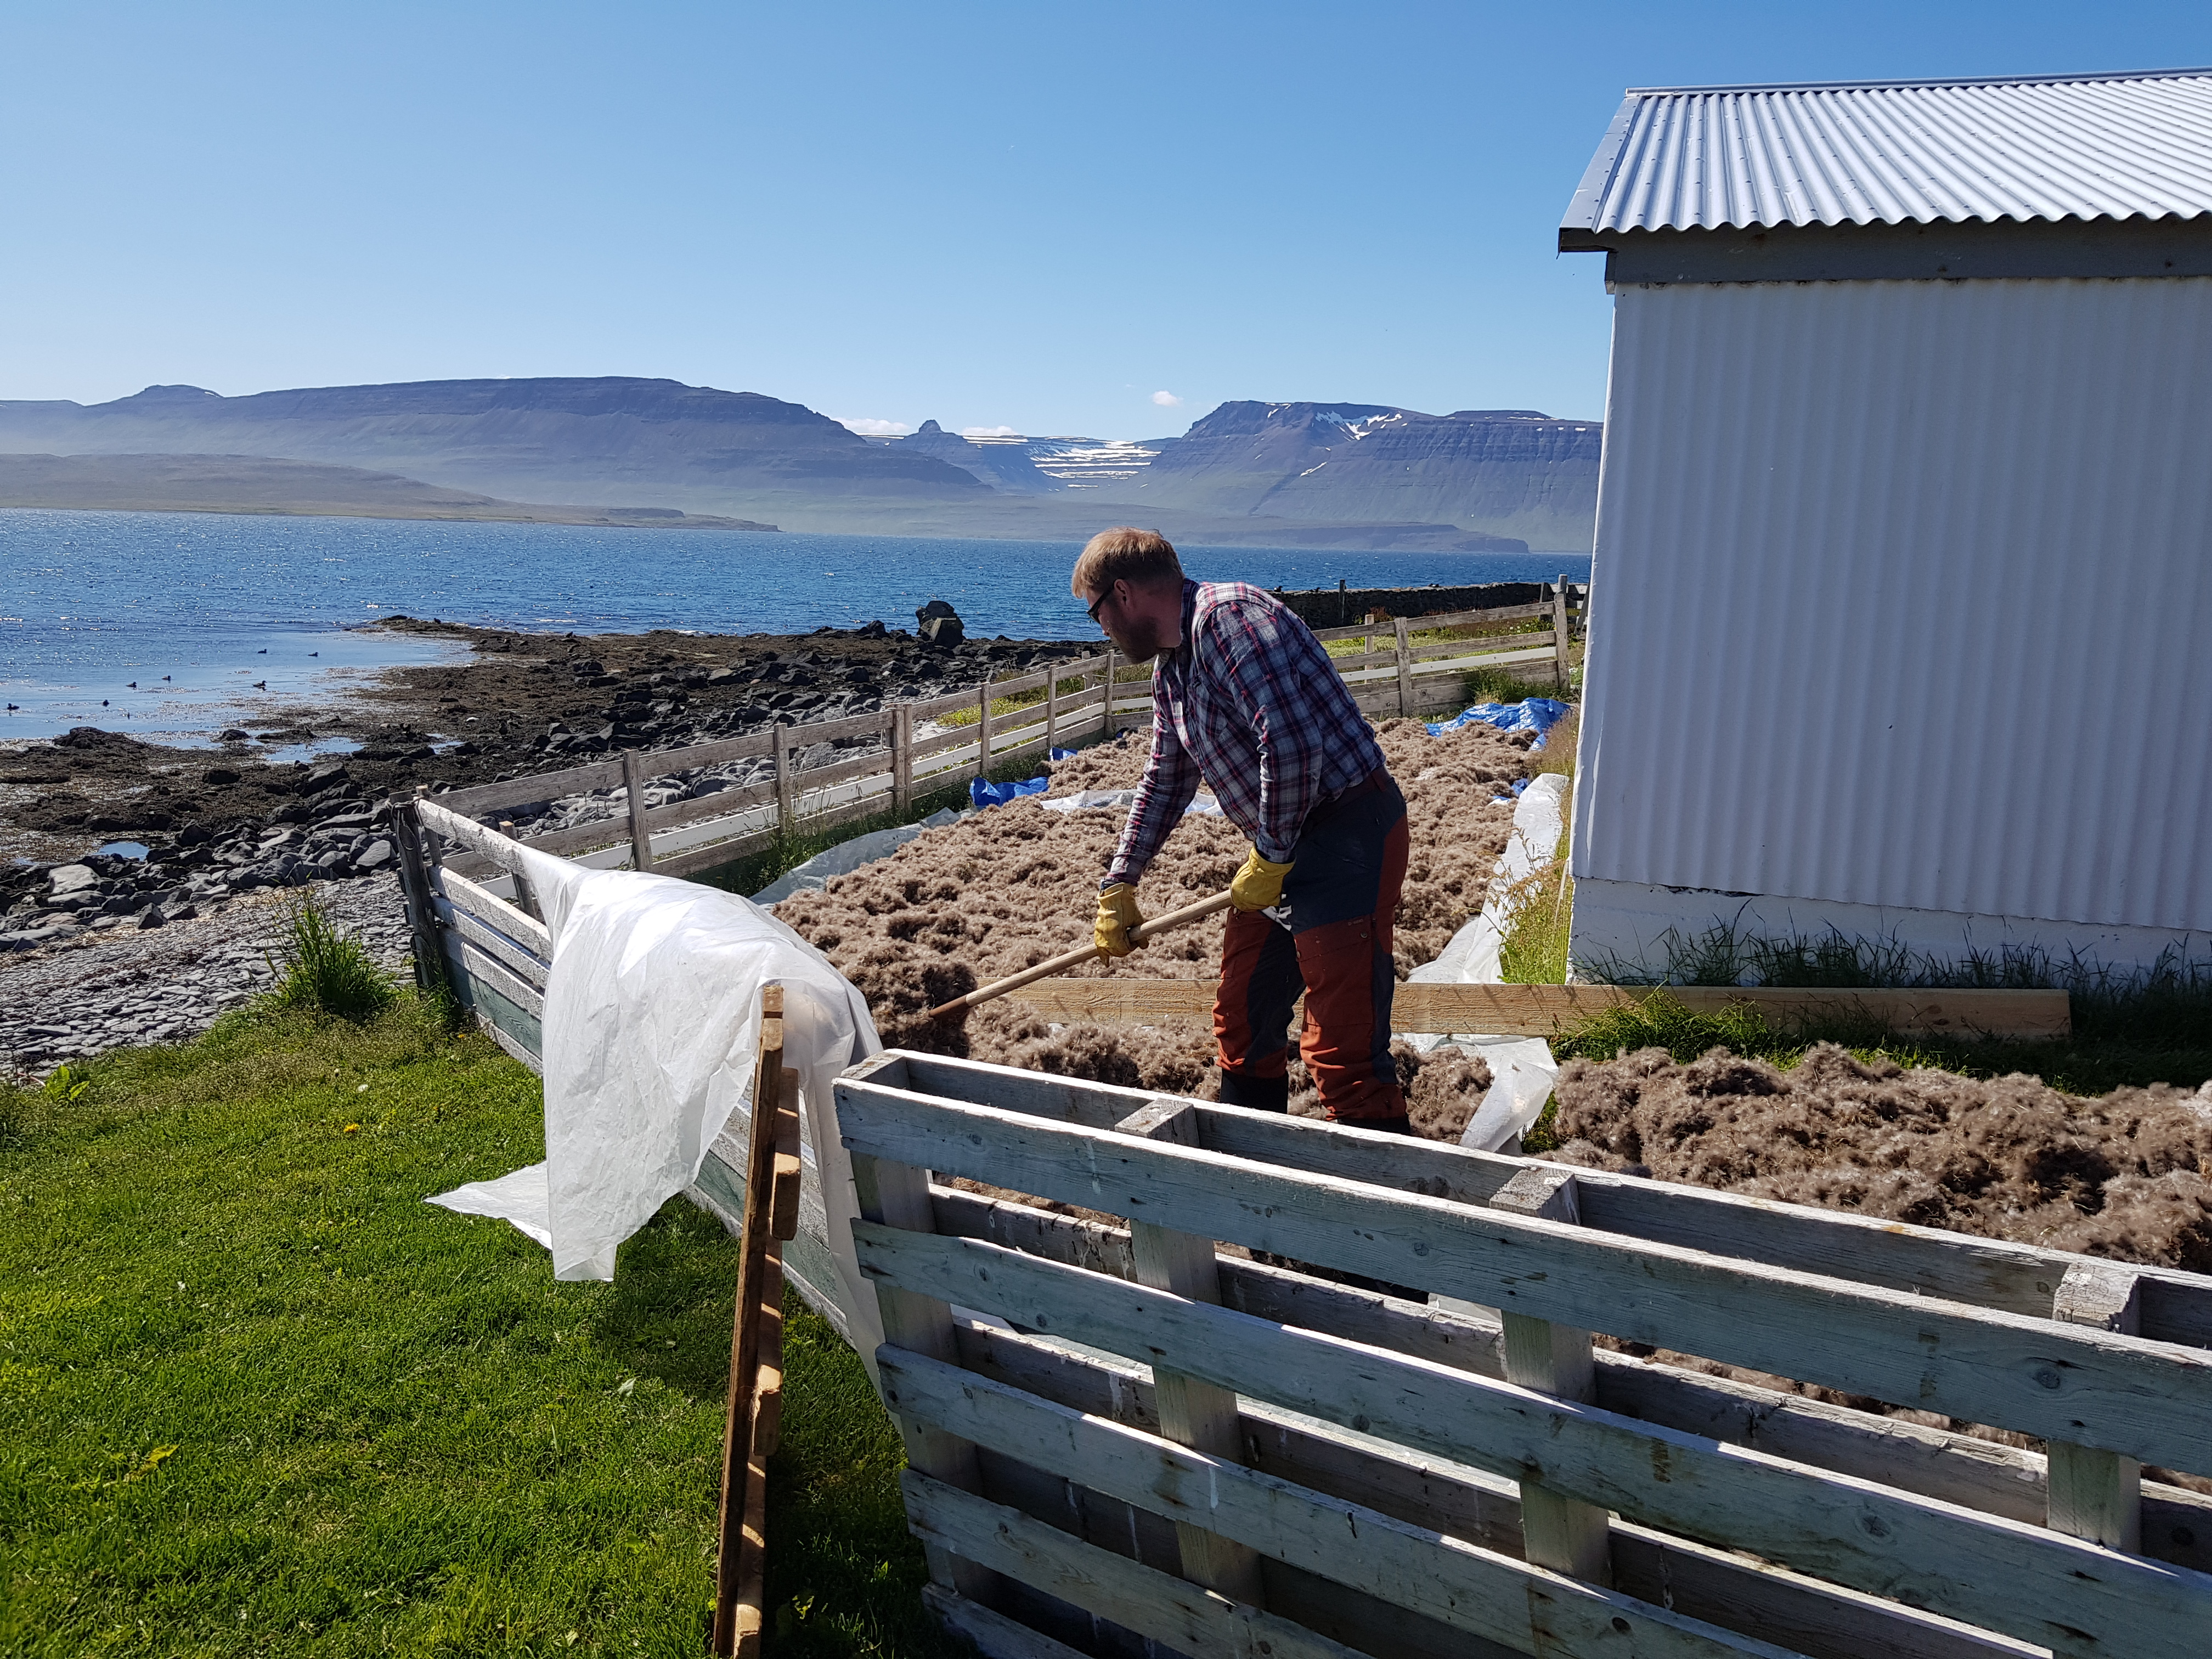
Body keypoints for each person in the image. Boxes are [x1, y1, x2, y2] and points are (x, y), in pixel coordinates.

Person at [1072, 527, 1412, 1133]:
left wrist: (1273, 855)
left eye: (1096, 613)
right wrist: (1119, 883)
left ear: (1123, 594)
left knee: (1342, 1052)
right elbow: (1164, 779)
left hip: (1348, 835)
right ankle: (1255, 1188)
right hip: (1283, 848)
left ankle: (1386, 1213)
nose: (1100, 629)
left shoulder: (1230, 621)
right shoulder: (1171, 672)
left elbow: (1292, 746)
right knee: (1243, 1020)